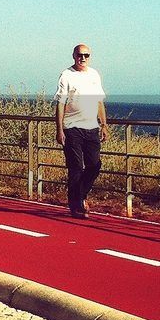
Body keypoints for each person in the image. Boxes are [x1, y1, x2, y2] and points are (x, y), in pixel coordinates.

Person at [55, 43, 108, 218]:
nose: (83, 58)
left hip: (92, 128)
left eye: (86, 55)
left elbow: (99, 102)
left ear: (89, 56)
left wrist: (104, 125)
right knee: (76, 167)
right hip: (72, 128)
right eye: (80, 55)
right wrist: (60, 129)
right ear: (74, 56)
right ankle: (76, 205)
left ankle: (80, 196)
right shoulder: (66, 75)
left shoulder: (94, 75)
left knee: (94, 165)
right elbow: (60, 104)